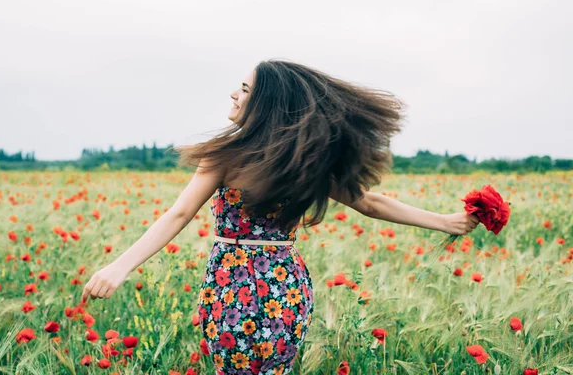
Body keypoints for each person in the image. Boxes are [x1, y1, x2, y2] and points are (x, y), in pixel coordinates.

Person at [82, 59, 479, 374]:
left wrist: (119, 267)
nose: (233, 95)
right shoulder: (293, 161)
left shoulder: (257, 158)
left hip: (234, 285)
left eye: (245, 89)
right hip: (282, 285)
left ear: (266, 103)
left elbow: (179, 213)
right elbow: (370, 203)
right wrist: (444, 222)